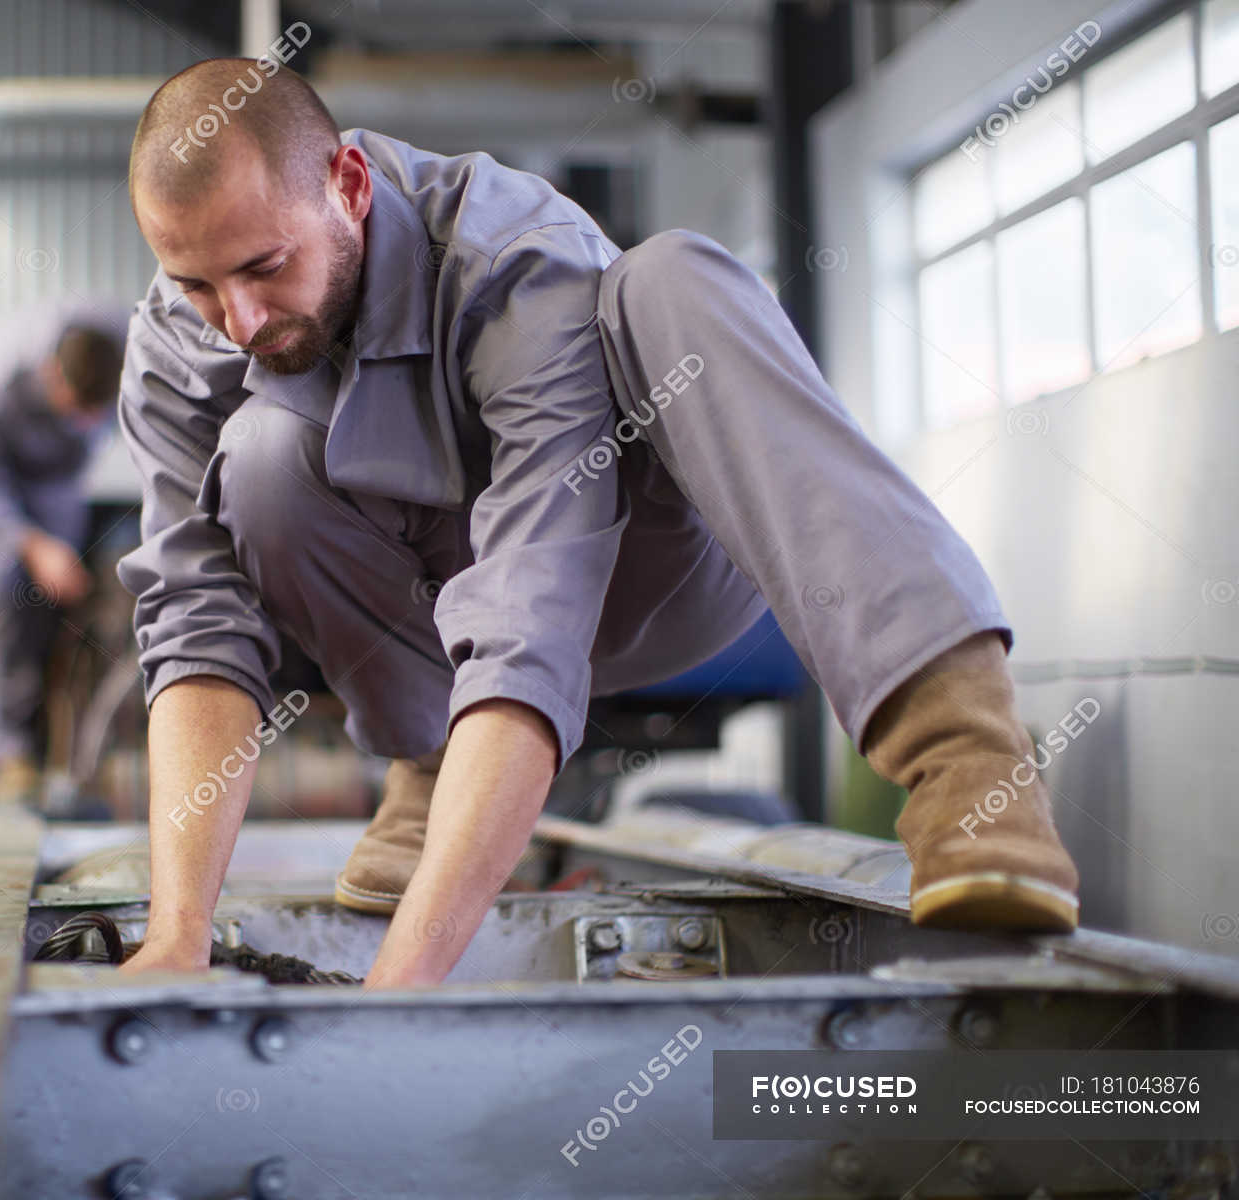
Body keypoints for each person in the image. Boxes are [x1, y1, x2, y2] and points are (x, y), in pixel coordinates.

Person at [113, 60, 1080, 988]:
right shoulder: (178, 339)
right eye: (198, 286)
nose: (235, 317)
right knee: (266, 461)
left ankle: (965, 755)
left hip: (651, 576)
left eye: (265, 267)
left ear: (350, 186)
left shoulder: (514, 262)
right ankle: (435, 765)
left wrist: (404, 984)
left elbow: (533, 614)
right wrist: (175, 934)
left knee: (675, 280)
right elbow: (194, 623)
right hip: (449, 631)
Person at [0, 305, 125, 801]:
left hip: (60, 487)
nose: (88, 425)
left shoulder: (133, 341)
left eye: (96, 415)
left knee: (75, 589)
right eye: (78, 410)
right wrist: (32, 544)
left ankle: (71, 746)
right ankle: (2, 754)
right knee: (1, 586)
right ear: (49, 374)